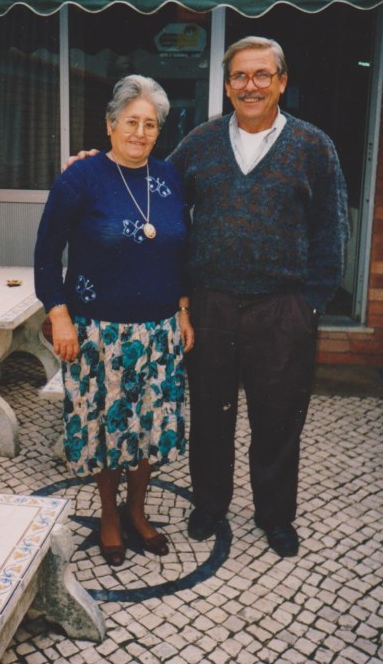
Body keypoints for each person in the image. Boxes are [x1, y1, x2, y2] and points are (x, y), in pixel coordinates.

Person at [168, 36, 349, 556]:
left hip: (282, 308)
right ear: (227, 86)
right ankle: (209, 504)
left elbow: (332, 229)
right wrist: (101, 164)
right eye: (240, 76)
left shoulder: (313, 146)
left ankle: (275, 516)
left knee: (278, 419)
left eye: (262, 75)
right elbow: (158, 195)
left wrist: (310, 304)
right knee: (210, 415)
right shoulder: (200, 143)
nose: (251, 85)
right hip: (212, 304)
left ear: (282, 82)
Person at [34, 74, 194, 567]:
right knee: (105, 430)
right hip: (98, 333)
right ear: (110, 125)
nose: (140, 133)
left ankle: (137, 512)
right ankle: (108, 515)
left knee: (148, 428)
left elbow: (181, 254)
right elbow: (46, 254)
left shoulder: (170, 178)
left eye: (150, 124)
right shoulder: (79, 179)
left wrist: (183, 311)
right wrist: (59, 315)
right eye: (131, 122)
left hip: (159, 331)